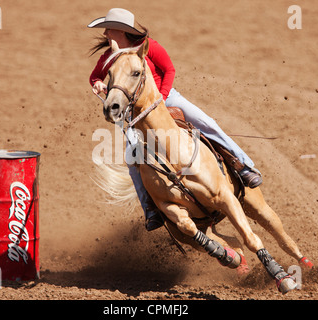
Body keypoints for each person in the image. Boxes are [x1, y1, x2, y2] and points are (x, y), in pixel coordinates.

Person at [88, 8, 262, 231]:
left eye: (108, 29)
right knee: (132, 155)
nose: (104, 34)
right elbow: (94, 76)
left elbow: (169, 70)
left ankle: (244, 166)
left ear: (121, 31)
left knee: (207, 124)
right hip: (134, 112)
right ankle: (150, 208)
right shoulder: (109, 57)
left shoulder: (149, 47)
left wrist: (162, 96)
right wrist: (98, 83)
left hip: (167, 97)